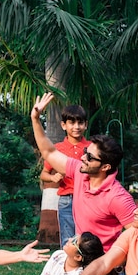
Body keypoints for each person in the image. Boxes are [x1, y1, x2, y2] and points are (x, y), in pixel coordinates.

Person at [30, 93, 136, 252]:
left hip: (106, 266)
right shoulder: (80, 172)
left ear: (105, 167)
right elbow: (48, 152)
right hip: (82, 261)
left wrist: (116, 259)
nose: (83, 158)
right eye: (85, 152)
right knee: (67, 248)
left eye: (89, 156)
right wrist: (36, 119)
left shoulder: (118, 197)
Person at [39, 105, 91, 247]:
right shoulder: (57, 149)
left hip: (88, 199)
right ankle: (67, 267)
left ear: (85, 125)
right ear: (63, 125)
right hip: (66, 200)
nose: (76, 127)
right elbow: (44, 174)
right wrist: (52, 178)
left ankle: (88, 268)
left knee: (88, 239)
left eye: (80, 123)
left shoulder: (92, 147)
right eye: (72, 123)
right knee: (68, 240)